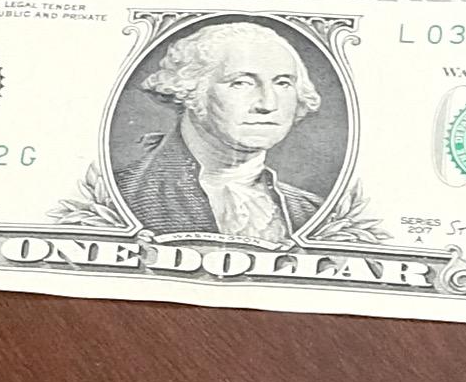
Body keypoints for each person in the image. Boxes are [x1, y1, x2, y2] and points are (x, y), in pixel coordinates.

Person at [115, 18, 338, 241]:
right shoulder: (121, 196)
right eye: (241, 83)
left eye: (282, 83)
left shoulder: (315, 212)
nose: (268, 104)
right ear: (189, 90)